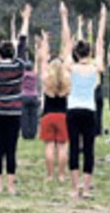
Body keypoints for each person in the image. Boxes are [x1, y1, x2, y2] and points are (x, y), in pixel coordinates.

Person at [60, 1, 107, 199]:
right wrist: (103, 18)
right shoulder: (96, 67)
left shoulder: (71, 66)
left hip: (72, 111)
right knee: (88, 149)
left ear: (75, 53)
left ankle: (73, 188)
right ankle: (86, 189)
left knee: (73, 148)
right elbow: (100, 41)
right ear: (89, 53)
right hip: (89, 111)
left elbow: (66, 43)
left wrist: (64, 17)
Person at [0, 3, 31, 194]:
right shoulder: (19, 66)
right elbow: (22, 43)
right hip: (13, 112)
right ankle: (10, 187)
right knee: (11, 150)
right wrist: (26, 19)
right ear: (13, 54)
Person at [38, 31, 70, 182]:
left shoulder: (46, 80)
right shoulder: (66, 81)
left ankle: (50, 175)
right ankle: (62, 175)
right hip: (63, 116)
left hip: (48, 116)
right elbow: (68, 55)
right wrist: (67, 42)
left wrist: (45, 42)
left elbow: (43, 60)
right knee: (62, 148)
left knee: (49, 147)